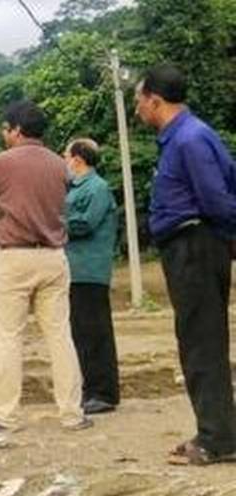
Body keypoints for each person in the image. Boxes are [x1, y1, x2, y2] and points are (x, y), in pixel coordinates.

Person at [135, 63, 236, 465]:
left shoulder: (190, 140)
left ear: (155, 101)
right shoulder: (191, 136)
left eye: (139, 100)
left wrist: (227, 236)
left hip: (194, 245)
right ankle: (219, 431)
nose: (137, 108)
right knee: (200, 339)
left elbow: (216, 199)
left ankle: (216, 440)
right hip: (194, 244)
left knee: (201, 342)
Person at [0, 100, 89, 433]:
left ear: (16, 130)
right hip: (53, 256)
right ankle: (72, 414)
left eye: (5, 129)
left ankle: (6, 416)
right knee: (60, 336)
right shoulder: (60, 165)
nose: (3, 134)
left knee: (9, 339)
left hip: (14, 256)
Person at [63, 138, 121, 414]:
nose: (64, 162)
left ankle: (104, 393)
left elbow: (85, 223)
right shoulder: (74, 188)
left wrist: (54, 222)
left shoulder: (97, 188)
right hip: (74, 271)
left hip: (89, 270)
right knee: (81, 333)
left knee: (95, 332)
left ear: (77, 158)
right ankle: (90, 389)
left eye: (66, 156)